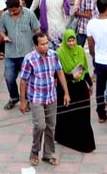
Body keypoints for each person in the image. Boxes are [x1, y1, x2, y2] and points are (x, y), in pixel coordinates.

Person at [20, 31, 70, 167]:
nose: (46, 46)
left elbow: (59, 73)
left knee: (51, 127)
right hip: (36, 98)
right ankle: (34, 152)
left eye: (47, 43)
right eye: (42, 44)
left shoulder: (53, 55)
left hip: (51, 97)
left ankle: (48, 155)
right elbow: (23, 81)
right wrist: (23, 101)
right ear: (35, 45)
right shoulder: (29, 59)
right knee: (40, 126)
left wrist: (66, 93)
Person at [54, 29, 96, 153]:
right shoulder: (59, 53)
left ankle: (85, 144)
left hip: (80, 86)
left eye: (73, 40)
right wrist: (72, 77)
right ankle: (64, 138)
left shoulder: (80, 50)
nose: (71, 43)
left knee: (83, 115)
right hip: (66, 88)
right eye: (69, 41)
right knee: (67, 115)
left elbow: (85, 68)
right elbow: (57, 74)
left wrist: (89, 83)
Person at [0, 0, 39, 110]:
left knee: (26, 78)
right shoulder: (5, 16)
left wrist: (38, 45)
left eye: (14, 11)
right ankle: (14, 97)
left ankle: (26, 99)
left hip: (26, 54)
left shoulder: (29, 14)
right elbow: (1, 30)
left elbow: (37, 30)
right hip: (10, 54)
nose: (12, 13)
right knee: (9, 77)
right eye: (10, 11)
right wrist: (4, 37)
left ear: (20, 7)